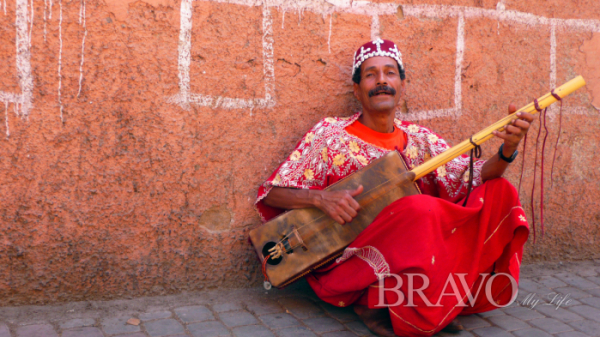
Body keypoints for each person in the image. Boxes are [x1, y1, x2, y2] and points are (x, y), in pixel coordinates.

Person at [254, 39, 532, 337]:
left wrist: (507, 149)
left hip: (416, 253)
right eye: (371, 75)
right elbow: (271, 193)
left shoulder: (420, 139)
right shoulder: (330, 135)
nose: (381, 81)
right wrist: (321, 198)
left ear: (401, 85)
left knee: (499, 191)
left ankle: (433, 298)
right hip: (351, 259)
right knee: (420, 207)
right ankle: (373, 301)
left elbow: (473, 176)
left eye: (390, 73)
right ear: (356, 89)